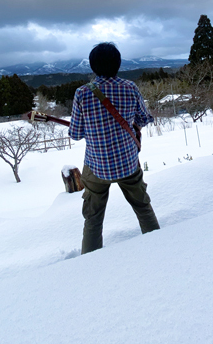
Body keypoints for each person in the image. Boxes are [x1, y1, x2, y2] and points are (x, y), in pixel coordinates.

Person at [69, 42, 160, 254]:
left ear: (93, 67)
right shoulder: (130, 88)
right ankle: (159, 247)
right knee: (143, 207)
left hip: (96, 166)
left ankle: (91, 262)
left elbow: (75, 133)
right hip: (127, 162)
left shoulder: (82, 93)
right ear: (118, 64)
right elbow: (144, 119)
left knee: (93, 219)